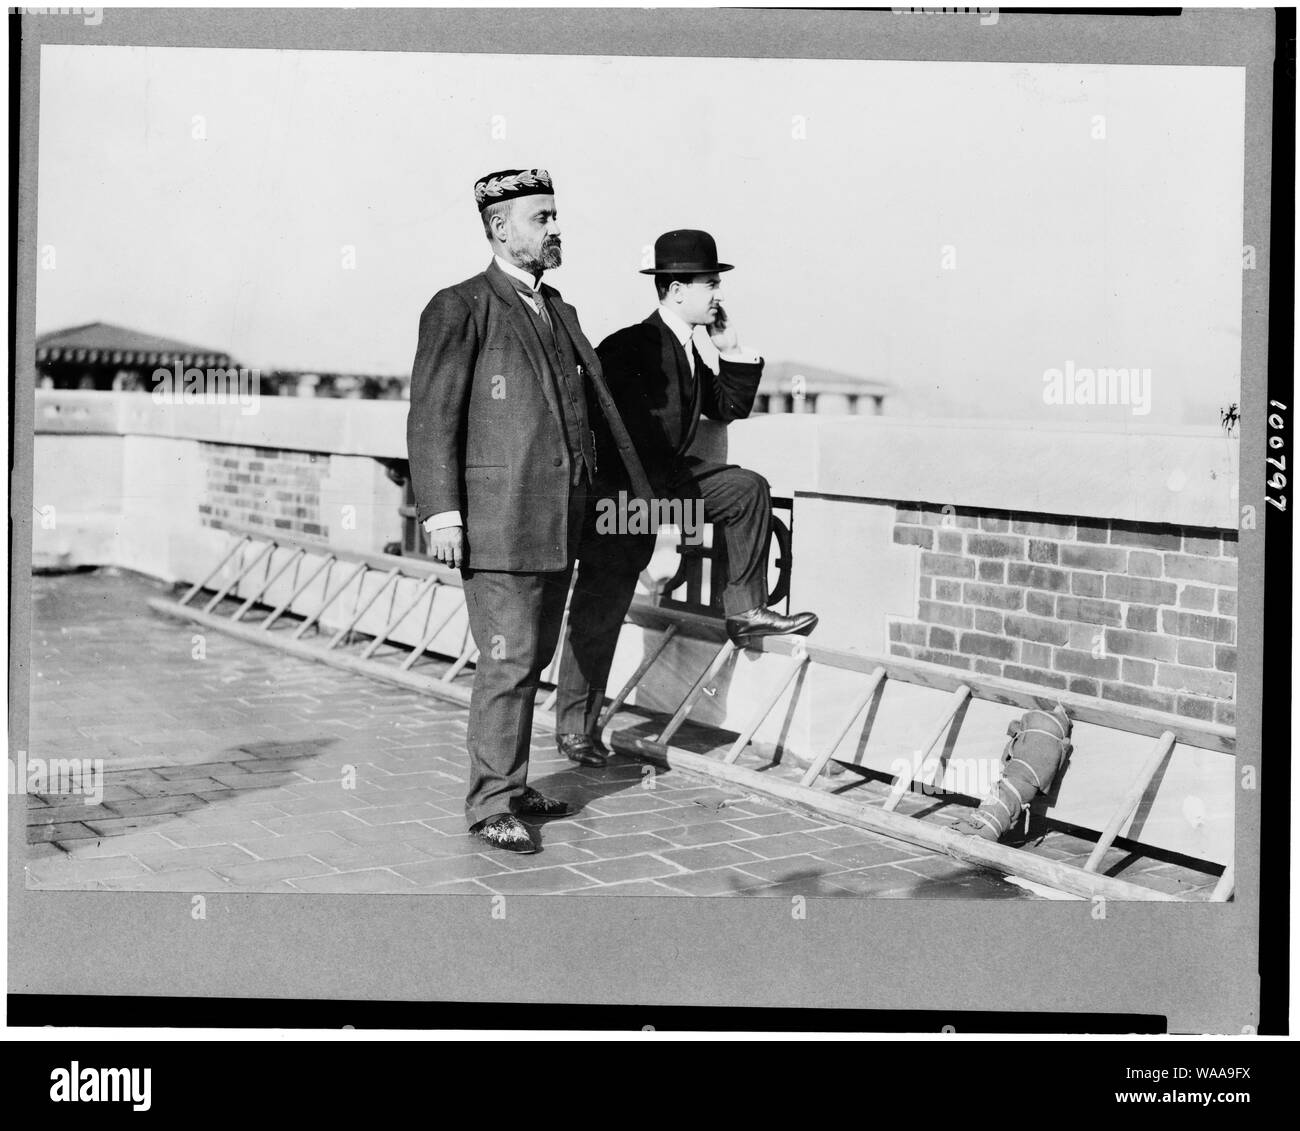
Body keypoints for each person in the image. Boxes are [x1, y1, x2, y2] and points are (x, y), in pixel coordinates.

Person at [406, 168, 652, 853]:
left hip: (559, 521)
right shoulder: (460, 306)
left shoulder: (558, 309)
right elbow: (431, 416)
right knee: (507, 660)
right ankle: (489, 805)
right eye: (541, 217)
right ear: (499, 228)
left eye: (554, 215)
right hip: (498, 523)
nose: (555, 228)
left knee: (533, 657)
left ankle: (511, 787)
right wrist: (442, 514)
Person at [552, 229, 819, 767]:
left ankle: (745, 611)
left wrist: (731, 350)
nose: (718, 294)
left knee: (745, 489)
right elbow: (602, 422)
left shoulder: (689, 347)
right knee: (599, 611)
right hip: (621, 499)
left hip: (665, 486)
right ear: (676, 290)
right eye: (709, 284)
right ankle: (575, 728)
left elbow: (728, 408)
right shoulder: (631, 344)